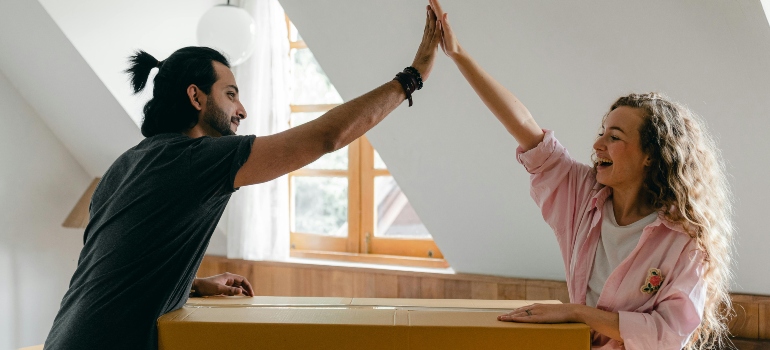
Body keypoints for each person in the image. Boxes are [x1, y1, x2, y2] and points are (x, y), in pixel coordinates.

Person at [43, 7, 441, 350]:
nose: (242, 110)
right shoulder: (201, 159)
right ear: (196, 98)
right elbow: (327, 136)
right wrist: (413, 76)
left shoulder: (127, 163)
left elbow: (116, 265)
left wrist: (194, 283)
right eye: (231, 94)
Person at [426, 1, 735, 349]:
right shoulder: (581, 193)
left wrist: (580, 314)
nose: (598, 143)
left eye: (615, 137)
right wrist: (458, 54)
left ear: (651, 156)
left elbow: (669, 334)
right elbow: (524, 125)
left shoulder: (684, 238)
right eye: (603, 131)